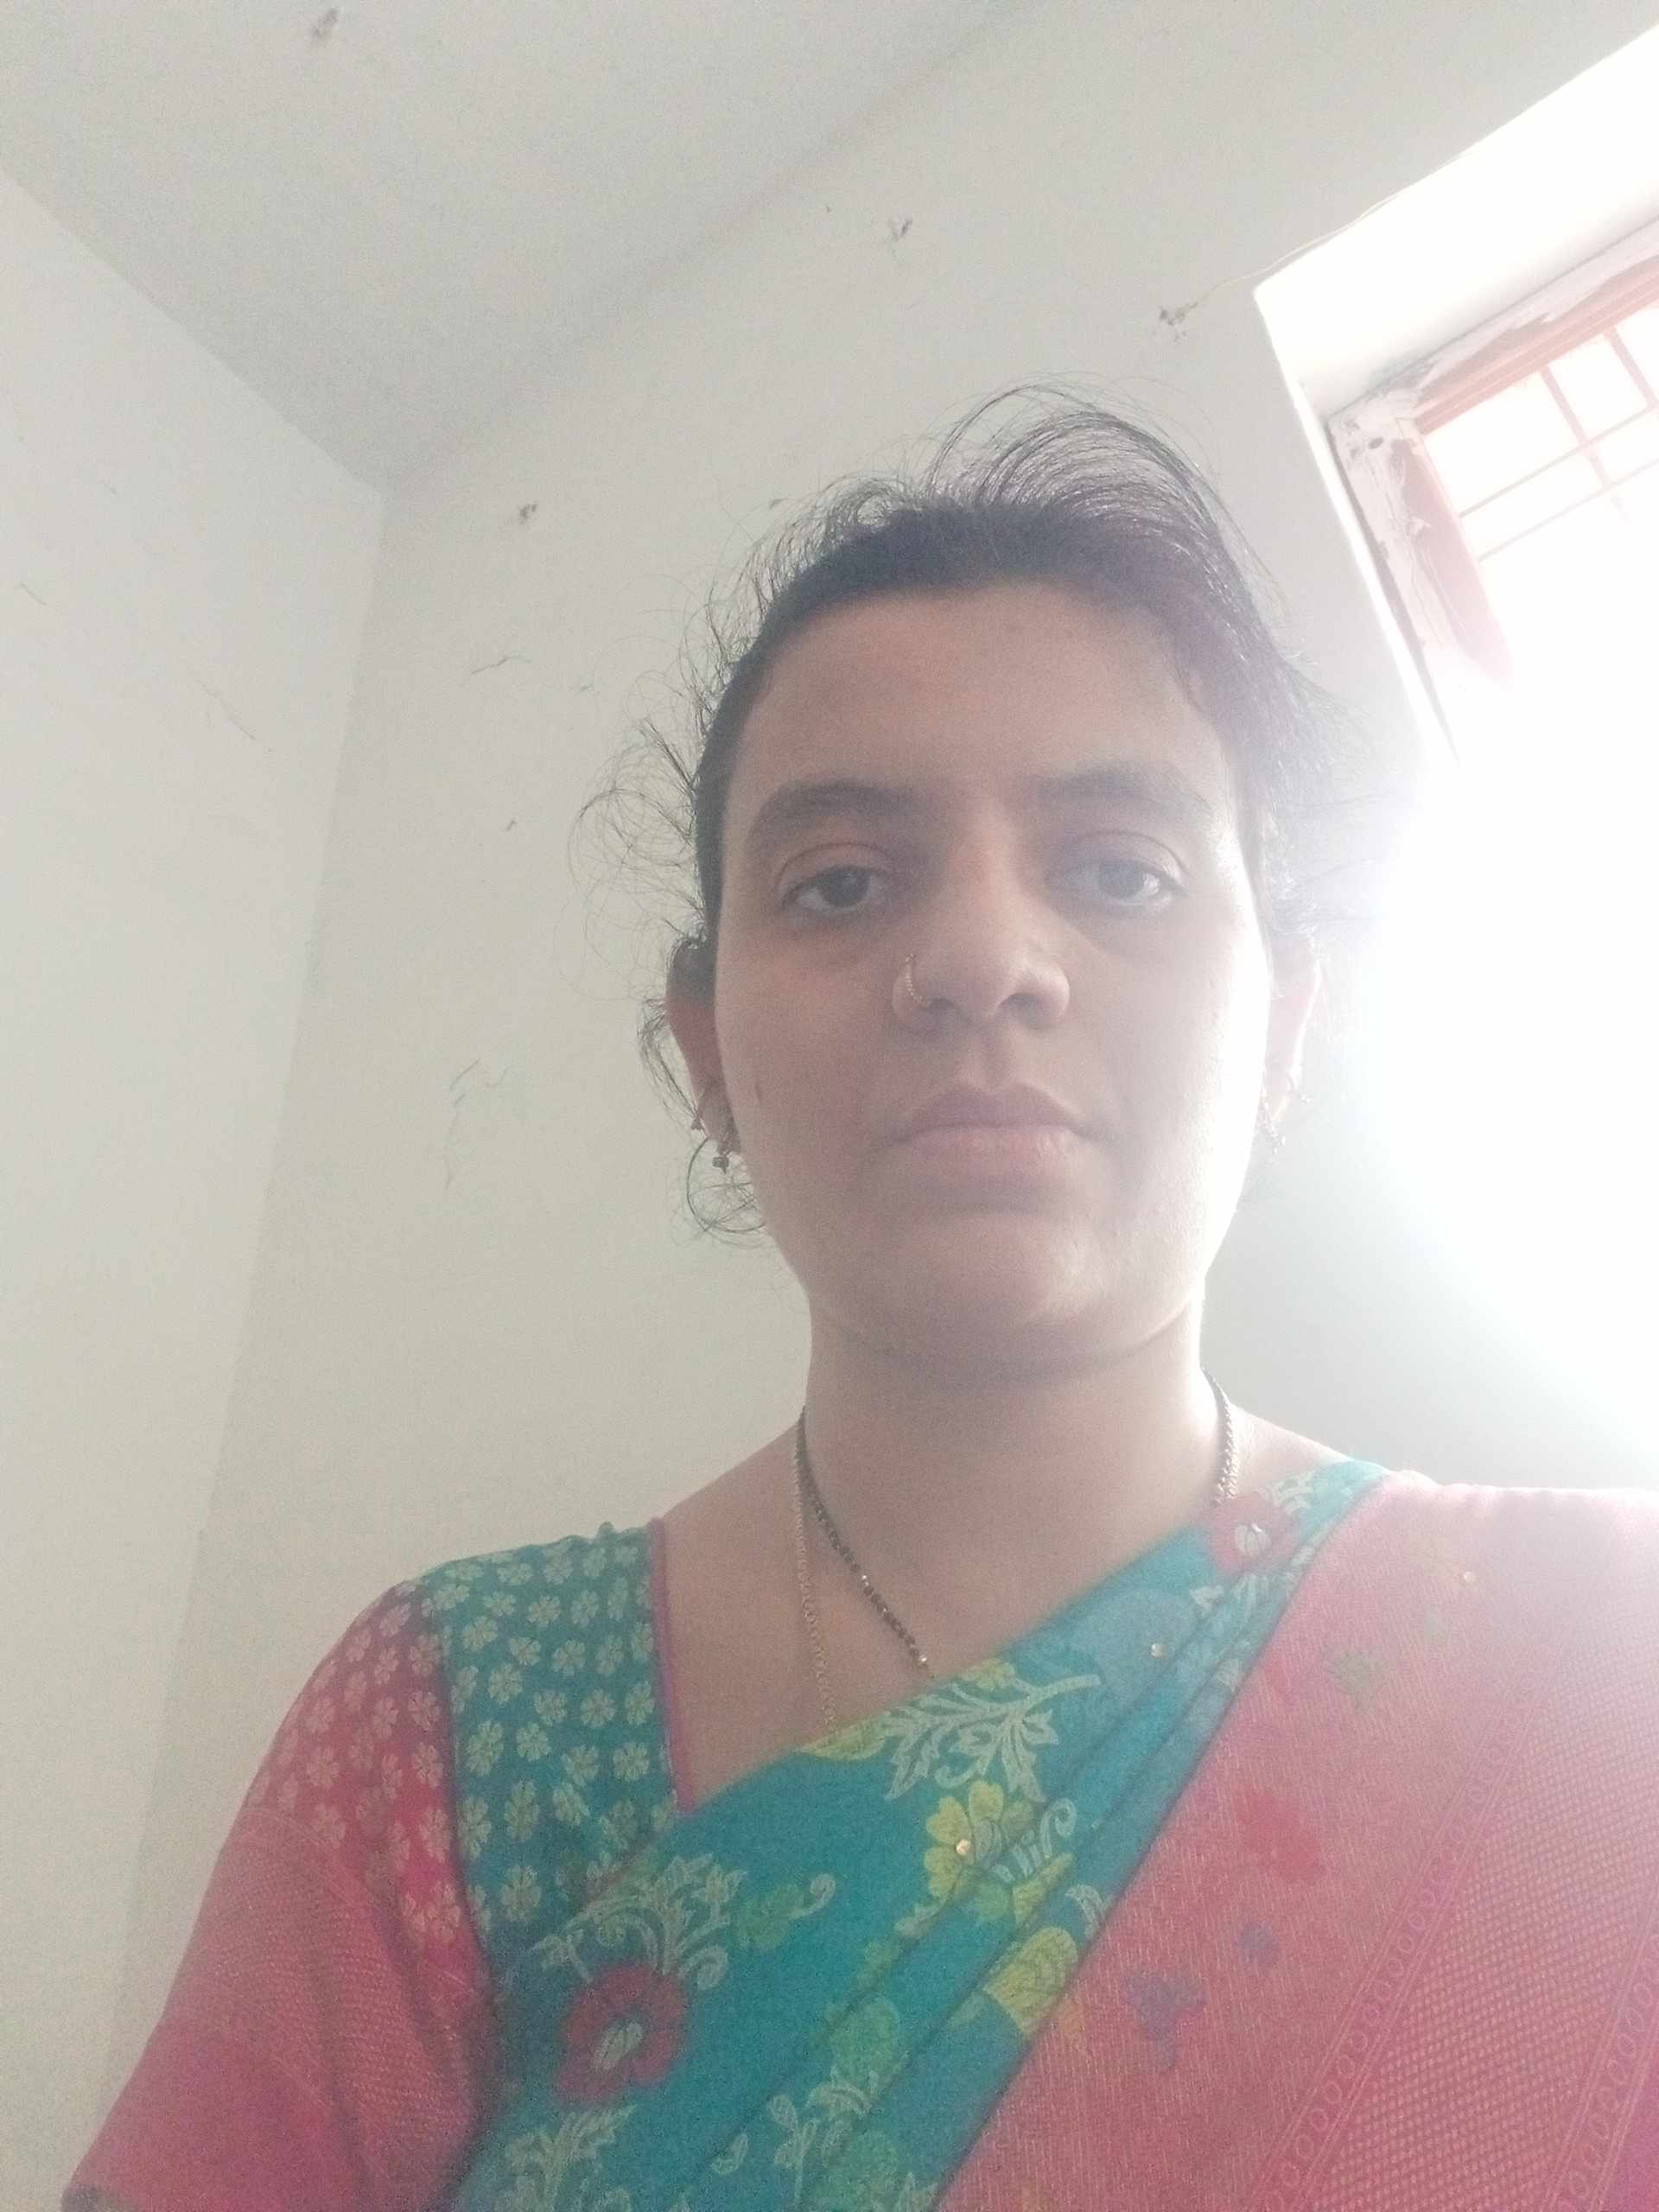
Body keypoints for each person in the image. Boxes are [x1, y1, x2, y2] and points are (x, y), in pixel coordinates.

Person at [68, 392, 1659, 2212]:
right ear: (706, 1052)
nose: (981, 957)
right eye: (840, 883)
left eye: (1120, 869)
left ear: (1286, 1019)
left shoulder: (1605, 1677)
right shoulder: (454, 1733)